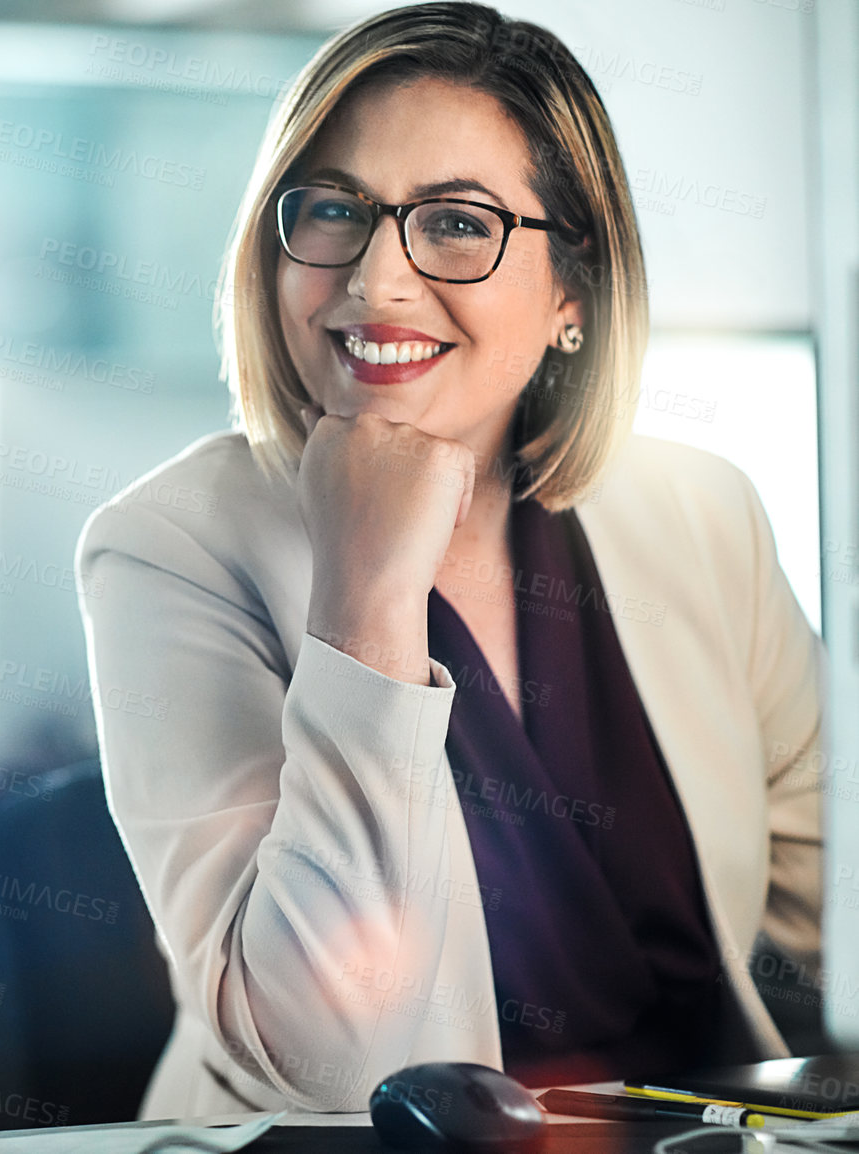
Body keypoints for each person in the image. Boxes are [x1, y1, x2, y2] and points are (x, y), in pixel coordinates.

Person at [75, 3, 823, 1116]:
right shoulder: (170, 548)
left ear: (571, 290)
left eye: (458, 224)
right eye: (332, 209)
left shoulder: (703, 511)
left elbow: (824, 932)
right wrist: (365, 597)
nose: (374, 281)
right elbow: (317, 1060)